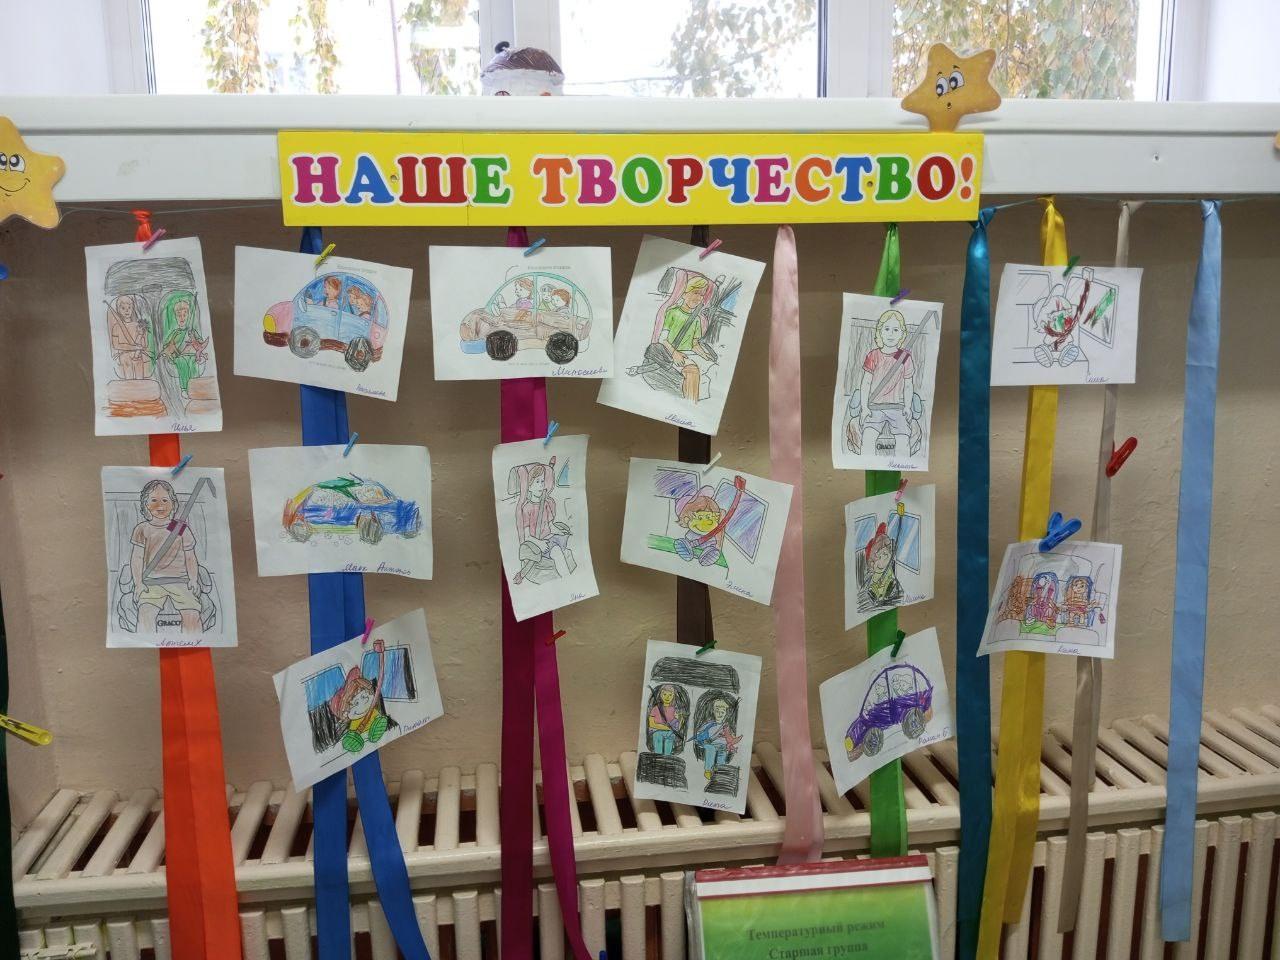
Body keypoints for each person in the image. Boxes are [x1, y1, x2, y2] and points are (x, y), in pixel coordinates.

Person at [130, 479, 201, 634]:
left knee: (192, 615)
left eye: (164, 500)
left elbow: (190, 556)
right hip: (151, 582)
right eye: (153, 500)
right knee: (145, 614)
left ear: (173, 503)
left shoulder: (179, 527)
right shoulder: (142, 529)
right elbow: (136, 558)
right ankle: (146, 643)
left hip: (180, 581)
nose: (160, 505)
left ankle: (193, 643)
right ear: (146, 504)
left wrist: (193, 579)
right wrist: (138, 583)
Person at [847, 309, 921, 456]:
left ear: (901, 334)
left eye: (895, 330)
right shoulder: (873, 355)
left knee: (903, 441)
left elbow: (908, 385)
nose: (891, 334)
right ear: (880, 331)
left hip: (897, 407)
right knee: (868, 438)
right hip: (874, 407)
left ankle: (901, 464)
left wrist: (907, 406)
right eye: (887, 329)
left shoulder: (904, 357)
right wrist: (864, 408)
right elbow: (865, 384)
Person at [513, 460, 577, 583]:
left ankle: (571, 577)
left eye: (542, 481)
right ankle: (565, 580)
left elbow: (551, 525)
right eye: (537, 482)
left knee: (566, 550)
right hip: (536, 542)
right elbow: (527, 536)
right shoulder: (527, 508)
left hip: (550, 538)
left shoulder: (547, 503)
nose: (541, 485)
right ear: (528, 486)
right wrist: (539, 543)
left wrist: (561, 532)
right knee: (553, 553)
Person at [658, 275, 716, 401]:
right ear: (684, 294)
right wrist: (675, 353)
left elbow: (694, 344)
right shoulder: (672, 312)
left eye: (702, 295)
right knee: (691, 370)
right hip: (669, 352)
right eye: (695, 292)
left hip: (688, 354)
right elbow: (662, 339)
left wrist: (704, 354)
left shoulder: (697, 320)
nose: (699, 297)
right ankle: (690, 403)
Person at [330, 638, 389, 753]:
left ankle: (374, 730)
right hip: (359, 737)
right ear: (346, 714)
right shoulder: (354, 725)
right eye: (356, 703)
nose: (365, 699)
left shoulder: (373, 711)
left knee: (377, 721)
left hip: (374, 729)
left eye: (364, 695)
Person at [160, 291, 207, 395]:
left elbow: (200, 343)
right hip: (179, 356)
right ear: (176, 317)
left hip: (192, 355)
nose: (182, 318)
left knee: (192, 362)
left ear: (188, 316)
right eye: (179, 315)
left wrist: (194, 340)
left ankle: (194, 387)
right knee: (182, 362)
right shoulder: (175, 333)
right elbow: (167, 345)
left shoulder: (192, 331)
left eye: (185, 315)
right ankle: (185, 388)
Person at [671, 486, 725, 566]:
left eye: (710, 516)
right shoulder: (692, 532)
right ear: (686, 519)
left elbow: (721, 514)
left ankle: (709, 554)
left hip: (709, 543)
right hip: (692, 541)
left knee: (711, 548)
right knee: (687, 543)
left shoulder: (713, 531)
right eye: (700, 517)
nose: (709, 521)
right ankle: (686, 549)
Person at [860, 522, 904, 610]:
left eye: (887, 551)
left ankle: (885, 593)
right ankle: (876, 595)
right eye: (882, 554)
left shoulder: (889, 563)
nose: (886, 555)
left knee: (889, 583)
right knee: (876, 588)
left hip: (888, 580)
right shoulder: (876, 570)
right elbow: (874, 577)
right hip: (877, 583)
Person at [694, 698, 741, 780]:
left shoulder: (726, 726)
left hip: (722, 745)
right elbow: (699, 733)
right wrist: (701, 738)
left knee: (722, 753)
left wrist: (729, 740)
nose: (720, 714)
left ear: (725, 713)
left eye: (722, 712)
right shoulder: (709, 724)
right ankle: (708, 770)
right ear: (714, 712)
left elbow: (730, 737)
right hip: (709, 744)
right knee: (711, 749)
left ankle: (719, 769)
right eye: (717, 711)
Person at [107, 294, 151, 379]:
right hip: (125, 356)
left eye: (129, 308)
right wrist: (133, 347)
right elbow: (116, 345)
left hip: (138, 355)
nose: (127, 311)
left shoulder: (138, 325)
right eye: (123, 308)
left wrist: (141, 335)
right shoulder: (116, 327)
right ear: (118, 310)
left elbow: (145, 345)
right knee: (129, 378)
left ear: (132, 309)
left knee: (140, 379)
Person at [647, 685, 684, 755]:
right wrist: (666, 728)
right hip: (657, 731)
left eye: (670, 695)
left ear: (673, 696)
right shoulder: (655, 708)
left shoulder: (674, 710)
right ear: (661, 695)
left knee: (668, 749)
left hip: (670, 733)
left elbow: (678, 725)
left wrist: (679, 718)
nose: (667, 697)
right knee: (658, 748)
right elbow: (651, 724)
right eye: (665, 694)